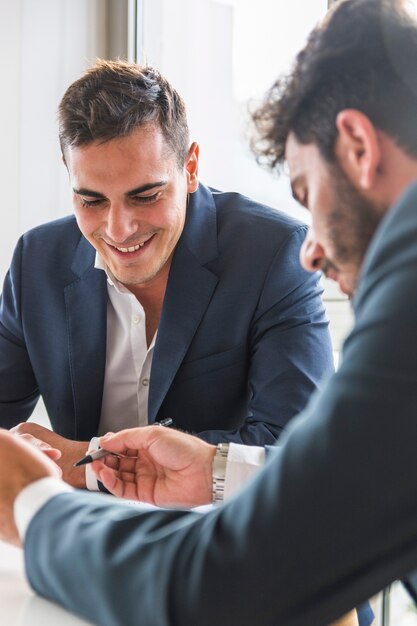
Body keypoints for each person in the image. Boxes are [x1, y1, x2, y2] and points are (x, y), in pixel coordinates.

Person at [3, 0, 417, 624]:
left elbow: (218, 578)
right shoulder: (38, 256)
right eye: (91, 199)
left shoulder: (367, 281)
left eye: (307, 191)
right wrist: (213, 469)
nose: (312, 249)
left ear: (358, 147)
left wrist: (33, 502)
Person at [0, 60, 333, 488]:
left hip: (218, 536)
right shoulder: (37, 259)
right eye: (92, 201)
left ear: (190, 167)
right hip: (78, 538)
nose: (119, 229)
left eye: (146, 196)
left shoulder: (274, 254)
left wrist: (85, 461)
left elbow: (301, 451)